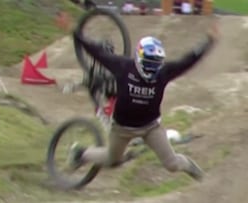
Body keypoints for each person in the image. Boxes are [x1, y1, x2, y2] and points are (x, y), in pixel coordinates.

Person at [68, 23, 219, 181]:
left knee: (172, 164)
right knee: (112, 160)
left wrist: (208, 42)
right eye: (148, 63)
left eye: (156, 64)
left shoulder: (164, 73)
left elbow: (188, 61)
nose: (152, 68)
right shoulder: (124, 67)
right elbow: (98, 53)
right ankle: (81, 154)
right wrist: (76, 34)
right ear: (139, 58)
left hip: (151, 128)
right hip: (122, 129)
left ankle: (202, 178)